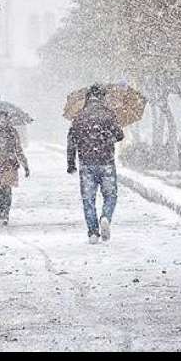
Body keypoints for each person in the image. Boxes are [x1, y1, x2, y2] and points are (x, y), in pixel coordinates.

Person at [67, 84, 125, 244]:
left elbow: (71, 142)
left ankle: (93, 232)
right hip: (106, 161)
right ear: (102, 97)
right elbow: (120, 135)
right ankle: (105, 217)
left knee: (88, 199)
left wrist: (71, 163)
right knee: (110, 195)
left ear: (88, 97)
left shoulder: (79, 116)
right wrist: (108, 136)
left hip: (86, 163)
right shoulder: (108, 114)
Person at [0, 112, 30, 225]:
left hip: (9, 164)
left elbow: (18, 149)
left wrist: (25, 165)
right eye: (1, 119)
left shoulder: (12, 132)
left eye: (5, 119)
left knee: (7, 189)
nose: (3, 122)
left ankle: (6, 212)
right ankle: (1, 211)